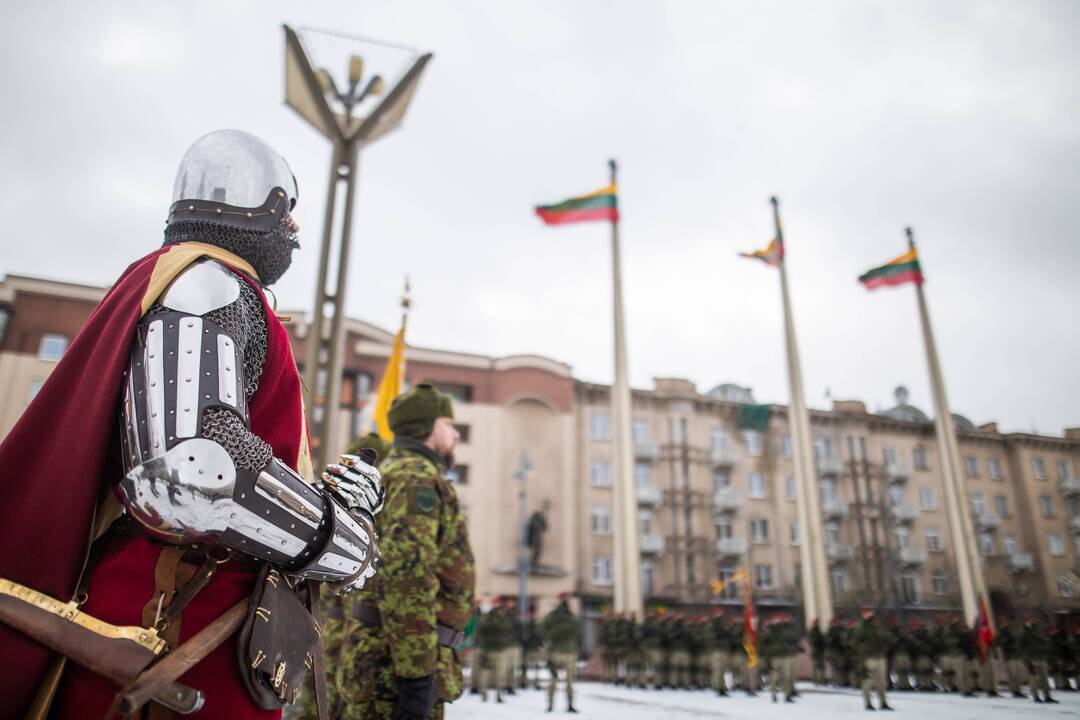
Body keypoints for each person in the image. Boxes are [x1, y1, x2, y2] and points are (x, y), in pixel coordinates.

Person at [0, 129, 384, 720]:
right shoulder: (209, 284)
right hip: (174, 617)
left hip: (173, 608)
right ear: (260, 209)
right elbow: (188, 471)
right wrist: (342, 540)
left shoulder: (168, 278)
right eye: (288, 213)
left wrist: (325, 497)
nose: (295, 231)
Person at [343, 384, 476, 719]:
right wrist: (417, 679)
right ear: (428, 426)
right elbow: (406, 578)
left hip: (391, 658)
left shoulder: (397, 473)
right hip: (396, 667)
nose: (455, 435)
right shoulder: (414, 478)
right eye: (448, 424)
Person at [542, 594, 581, 713]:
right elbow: (579, 633)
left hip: (556, 651)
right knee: (569, 681)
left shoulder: (552, 616)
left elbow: (543, 630)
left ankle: (550, 704)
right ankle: (569, 704)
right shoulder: (571, 617)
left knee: (554, 679)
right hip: (569, 652)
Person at [854, 608, 892, 711]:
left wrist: (885, 646)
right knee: (867, 682)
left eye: (870, 612)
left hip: (880, 656)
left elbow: (886, 638)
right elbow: (854, 642)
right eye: (866, 613)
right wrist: (863, 650)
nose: (869, 614)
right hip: (868, 657)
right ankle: (868, 703)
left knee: (882, 682)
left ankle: (883, 702)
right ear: (863, 614)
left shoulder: (877, 626)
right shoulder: (860, 627)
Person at [1020, 617, 1057, 704]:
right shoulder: (1024, 633)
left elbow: (1045, 642)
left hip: (1041, 657)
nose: (1031, 621)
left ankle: (1047, 695)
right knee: (1034, 678)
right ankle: (1036, 696)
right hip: (1032, 658)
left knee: (1044, 678)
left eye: (1031, 620)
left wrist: (1045, 649)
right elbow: (1021, 647)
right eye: (1028, 620)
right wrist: (1026, 659)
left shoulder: (1038, 631)